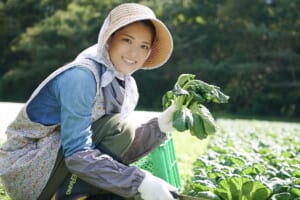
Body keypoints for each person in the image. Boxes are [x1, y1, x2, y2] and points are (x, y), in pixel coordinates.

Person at [0, 3, 178, 200]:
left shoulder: (126, 85)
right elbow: (77, 154)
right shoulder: (82, 77)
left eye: (144, 46)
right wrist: (140, 182)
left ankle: (77, 192)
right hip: (29, 171)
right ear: (109, 40)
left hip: (57, 167)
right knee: (119, 128)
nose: (134, 53)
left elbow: (122, 149)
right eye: (127, 40)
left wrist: (160, 126)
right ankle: (65, 195)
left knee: (121, 143)